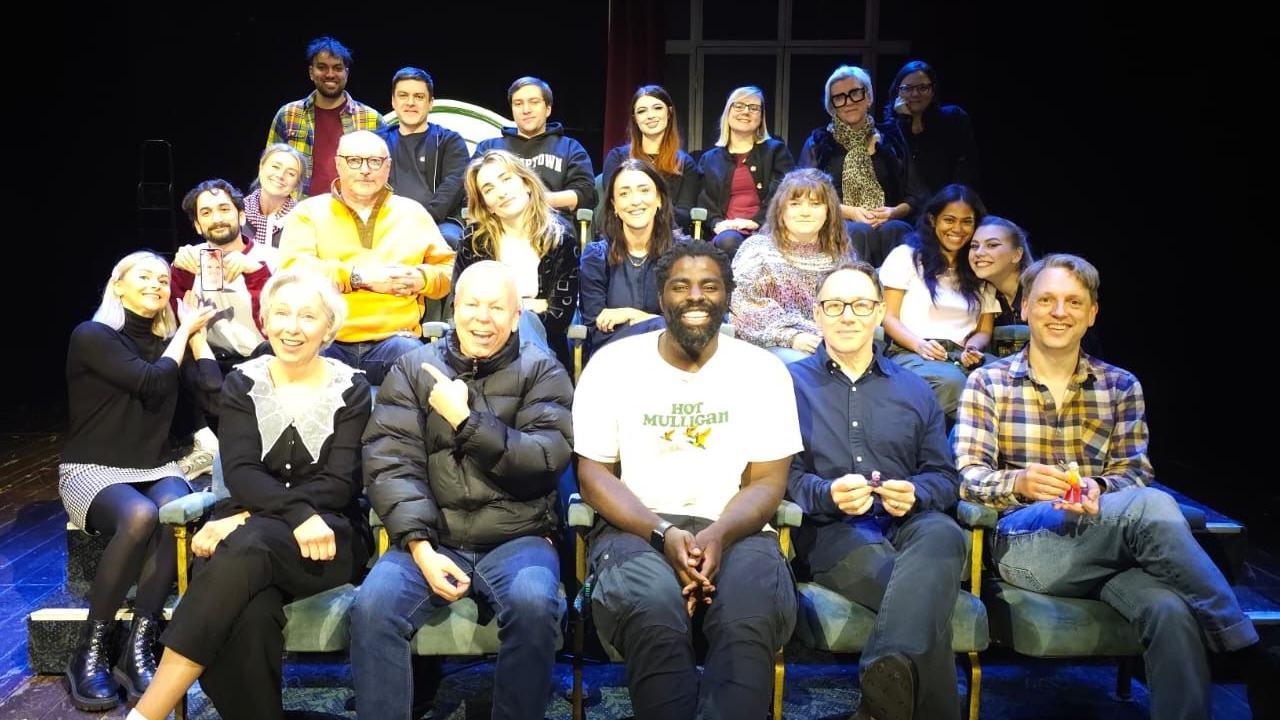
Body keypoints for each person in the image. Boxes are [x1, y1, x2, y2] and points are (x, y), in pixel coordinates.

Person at [953, 254, 1262, 720]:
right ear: (1024, 308)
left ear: (1092, 313)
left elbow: (1134, 472)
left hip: (1108, 541)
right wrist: (1020, 480)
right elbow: (967, 477)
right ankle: (1246, 651)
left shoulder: (1120, 385)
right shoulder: (988, 382)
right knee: (1153, 506)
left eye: (1074, 302)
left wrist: (1098, 485)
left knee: (1170, 612)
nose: (1060, 312)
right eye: (1048, 301)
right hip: (1025, 544)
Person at [129, 271, 371, 720]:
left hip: (328, 536)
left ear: (328, 328)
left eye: (307, 316)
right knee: (251, 614)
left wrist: (250, 518)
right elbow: (240, 472)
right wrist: (274, 513)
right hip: (254, 530)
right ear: (264, 320)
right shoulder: (243, 382)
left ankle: (146, 714)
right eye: (280, 313)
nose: (291, 327)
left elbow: (339, 483)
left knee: (245, 545)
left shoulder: (351, 388)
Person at [574, 243, 802, 719]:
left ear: (727, 298)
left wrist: (718, 533)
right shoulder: (613, 365)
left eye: (709, 286)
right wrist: (662, 533)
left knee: (748, 619)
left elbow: (767, 480)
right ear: (662, 297)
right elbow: (593, 474)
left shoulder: (764, 371)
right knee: (654, 611)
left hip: (738, 528)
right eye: (681, 285)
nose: (695, 296)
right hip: (638, 528)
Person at [352, 261, 574, 720]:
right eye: (472, 304)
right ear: (454, 309)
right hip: (432, 538)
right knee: (373, 607)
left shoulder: (543, 371)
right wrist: (420, 546)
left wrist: (466, 422)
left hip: (517, 537)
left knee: (535, 604)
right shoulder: (413, 368)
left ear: (516, 318)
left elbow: (542, 462)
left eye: (497, 307)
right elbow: (390, 462)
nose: (482, 317)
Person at [788, 261, 964, 720]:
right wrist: (827, 493)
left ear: (879, 311)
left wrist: (917, 493)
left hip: (908, 523)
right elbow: (780, 476)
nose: (848, 315)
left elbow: (945, 478)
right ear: (817, 313)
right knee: (923, 601)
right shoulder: (788, 385)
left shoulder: (915, 388)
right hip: (832, 531)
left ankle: (878, 703)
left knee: (945, 534)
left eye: (861, 305)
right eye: (835, 305)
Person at [60, 251, 218, 711]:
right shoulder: (92, 336)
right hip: (93, 468)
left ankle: (138, 646)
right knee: (140, 515)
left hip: (156, 467)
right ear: (119, 285)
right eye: (144, 276)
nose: (155, 284)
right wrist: (181, 335)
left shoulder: (170, 341)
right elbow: (149, 382)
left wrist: (198, 339)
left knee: (174, 513)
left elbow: (212, 394)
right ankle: (89, 650)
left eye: (163, 279)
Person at [279, 130, 454, 385]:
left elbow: (449, 269)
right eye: (354, 160)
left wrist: (422, 278)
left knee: (427, 370)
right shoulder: (309, 212)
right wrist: (357, 277)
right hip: (325, 341)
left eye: (374, 162)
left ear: (388, 167)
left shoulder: (412, 213)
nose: (365, 170)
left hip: (395, 343)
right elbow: (292, 273)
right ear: (338, 163)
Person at [879, 184, 998, 415]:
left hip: (962, 354)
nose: (958, 228)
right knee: (952, 383)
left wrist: (973, 348)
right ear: (933, 220)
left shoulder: (979, 265)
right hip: (911, 351)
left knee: (1005, 376)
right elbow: (889, 317)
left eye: (967, 221)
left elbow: (984, 329)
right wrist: (919, 345)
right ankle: (944, 448)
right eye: (949, 220)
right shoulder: (907, 256)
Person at [454, 149, 578, 368]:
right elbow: (462, 305)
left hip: (541, 348)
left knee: (528, 325)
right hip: (483, 342)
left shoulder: (561, 237)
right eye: (489, 189)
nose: (501, 193)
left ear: (527, 183)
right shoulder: (473, 240)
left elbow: (559, 316)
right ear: (486, 205)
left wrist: (504, 309)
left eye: (506, 179)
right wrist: (528, 305)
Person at [798, 65, 922, 267]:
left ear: (868, 96)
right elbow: (805, 194)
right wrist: (850, 212)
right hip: (839, 219)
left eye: (855, 93)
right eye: (839, 97)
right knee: (857, 231)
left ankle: (895, 295)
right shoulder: (818, 142)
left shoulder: (891, 138)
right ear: (832, 106)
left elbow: (914, 194)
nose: (848, 103)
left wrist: (892, 212)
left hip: (888, 219)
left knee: (898, 229)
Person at [730, 168, 855, 363]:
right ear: (781, 211)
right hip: (773, 345)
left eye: (815, 204)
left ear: (828, 210)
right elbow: (744, 308)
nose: (805, 212)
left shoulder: (842, 254)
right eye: (795, 204)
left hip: (832, 343)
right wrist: (792, 337)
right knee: (808, 367)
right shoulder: (757, 250)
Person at [579, 158, 682, 356]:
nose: (635, 201)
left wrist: (630, 314)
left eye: (644, 190)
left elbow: (685, 326)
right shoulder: (596, 257)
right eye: (624, 194)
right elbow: (596, 330)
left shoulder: (682, 256)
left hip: (670, 360)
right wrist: (658, 323)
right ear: (614, 206)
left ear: (659, 198)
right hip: (613, 359)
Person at [171, 179, 276, 370]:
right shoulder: (190, 259)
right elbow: (172, 322)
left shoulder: (271, 259)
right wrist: (179, 272)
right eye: (206, 213)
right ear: (197, 226)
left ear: (241, 216)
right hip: (210, 364)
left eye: (224, 209)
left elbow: (278, 321)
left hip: (264, 362)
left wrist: (257, 273)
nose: (217, 219)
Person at [266, 36, 384, 196]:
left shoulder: (372, 119)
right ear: (311, 72)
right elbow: (269, 171)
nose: (330, 74)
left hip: (352, 213)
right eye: (322, 67)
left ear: (346, 73)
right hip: (298, 213)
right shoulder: (288, 115)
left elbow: (385, 174)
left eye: (337, 68)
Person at [375, 66, 469, 250]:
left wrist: (417, 222)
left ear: (430, 103)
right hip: (384, 221)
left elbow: (452, 189)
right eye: (403, 96)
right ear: (393, 101)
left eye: (419, 97)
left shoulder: (449, 141)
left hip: (440, 222)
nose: (410, 102)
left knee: (447, 240)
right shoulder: (376, 142)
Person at [696, 86, 795, 260]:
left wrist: (756, 221)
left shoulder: (776, 151)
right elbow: (705, 201)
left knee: (761, 246)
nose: (746, 112)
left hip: (767, 229)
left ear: (761, 117)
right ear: (728, 112)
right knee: (729, 241)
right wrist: (718, 224)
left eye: (754, 107)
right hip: (726, 233)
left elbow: (783, 193)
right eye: (739, 106)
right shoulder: (709, 159)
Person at [473, 76, 597, 213]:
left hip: (553, 223)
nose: (526, 110)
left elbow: (586, 194)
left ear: (548, 109)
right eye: (518, 104)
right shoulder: (489, 148)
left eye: (534, 102)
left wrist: (536, 200)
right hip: (499, 224)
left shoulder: (570, 148)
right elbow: (471, 193)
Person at [601, 85, 700, 231]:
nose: (650, 116)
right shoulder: (617, 158)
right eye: (642, 111)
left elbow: (685, 215)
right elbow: (613, 203)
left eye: (657, 108)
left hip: (669, 236)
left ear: (669, 112)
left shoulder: (685, 163)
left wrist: (645, 211)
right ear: (635, 119)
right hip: (623, 233)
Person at [884, 60, 980, 198]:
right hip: (907, 208)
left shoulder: (953, 118)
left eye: (923, 87)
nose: (915, 94)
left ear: (933, 90)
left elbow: (967, 170)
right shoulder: (891, 129)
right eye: (907, 88)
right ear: (897, 92)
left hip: (950, 201)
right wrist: (905, 120)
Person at [968, 215, 1032, 328]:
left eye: (992, 245)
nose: (978, 252)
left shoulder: (1040, 291)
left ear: (1017, 255)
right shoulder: (983, 296)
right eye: (974, 246)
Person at [244, 144, 306, 248]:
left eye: (291, 173)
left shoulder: (302, 220)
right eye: (275, 167)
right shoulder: (237, 212)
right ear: (261, 167)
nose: (280, 175)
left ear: (297, 183)